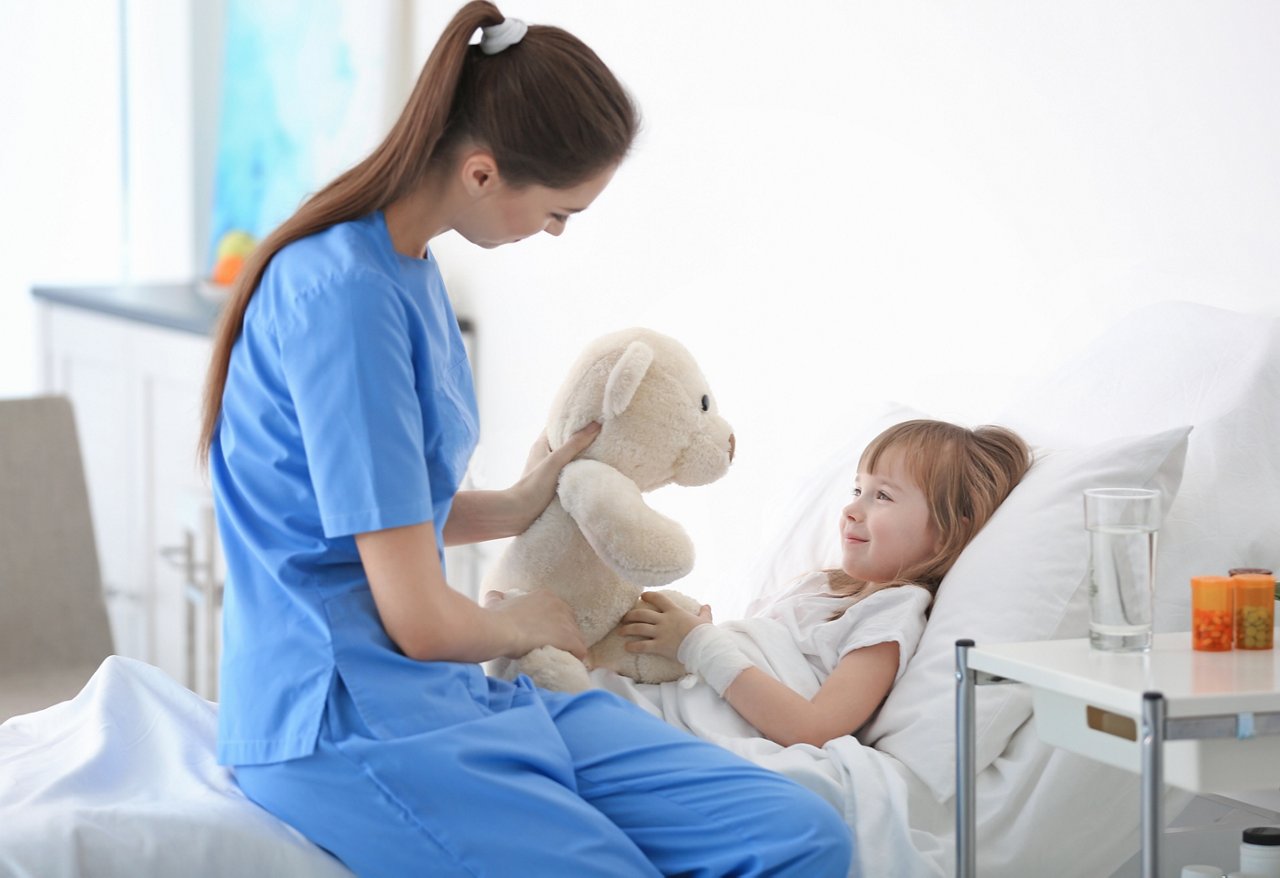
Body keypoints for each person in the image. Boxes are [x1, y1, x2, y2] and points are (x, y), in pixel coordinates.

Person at [197, 3, 852, 876]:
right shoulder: (345, 297)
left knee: (803, 834)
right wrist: (531, 623)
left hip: (434, 690)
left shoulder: (409, 269)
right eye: (558, 213)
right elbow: (422, 621)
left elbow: (366, 508)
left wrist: (511, 507)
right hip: (340, 715)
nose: (554, 233)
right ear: (480, 172)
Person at [605, 419, 1031, 749]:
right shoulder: (821, 585)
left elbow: (814, 727)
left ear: (947, 530)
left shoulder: (893, 609)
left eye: (882, 496)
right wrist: (703, 633)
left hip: (687, 723)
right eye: (858, 489)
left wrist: (698, 645)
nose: (851, 509)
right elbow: (760, 656)